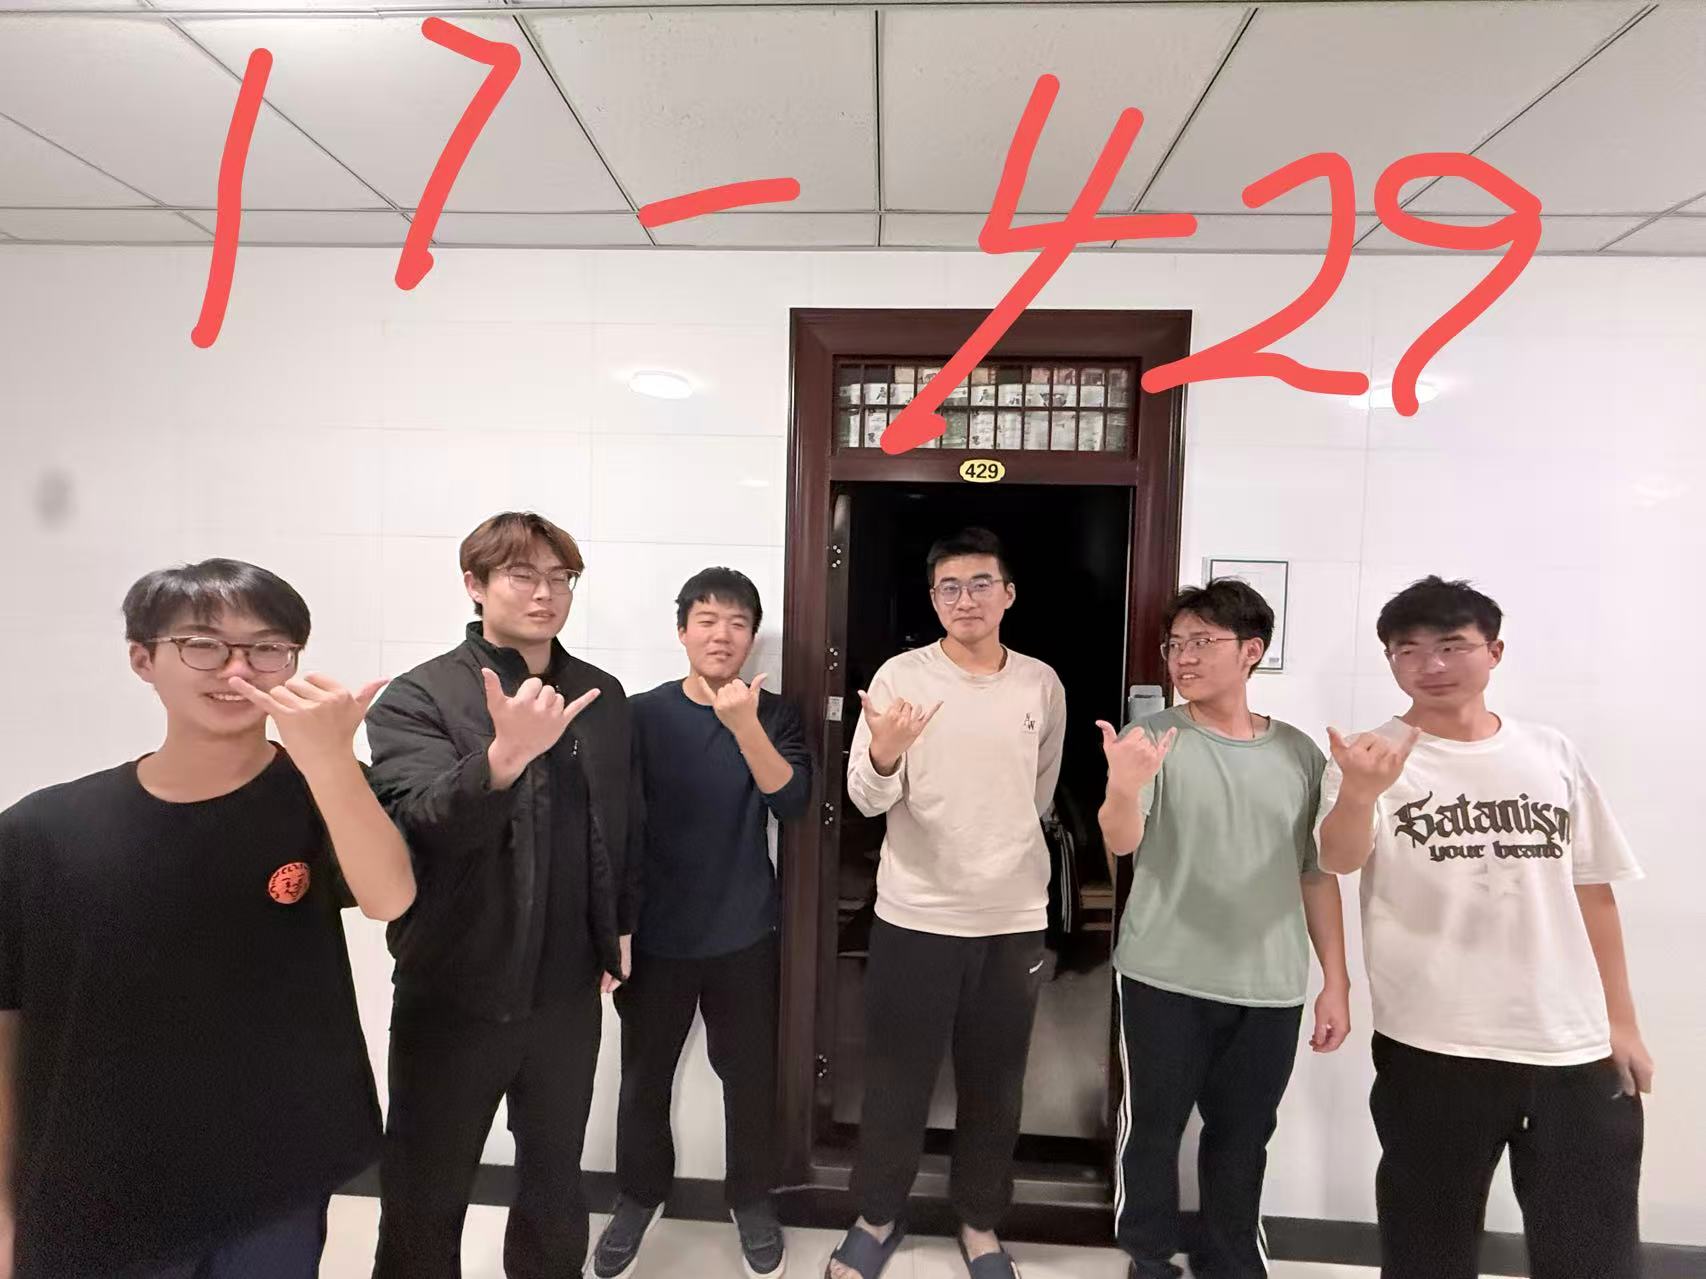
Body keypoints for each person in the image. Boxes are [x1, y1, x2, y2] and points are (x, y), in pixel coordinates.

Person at [0, 558, 414, 1279]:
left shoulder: (322, 791)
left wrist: (330, 760)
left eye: (267, 648)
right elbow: (9, 1022)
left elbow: (390, 896)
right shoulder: (44, 830)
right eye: (203, 644)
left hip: (273, 1170)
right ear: (143, 659)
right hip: (97, 1174)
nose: (237, 669)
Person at [1315, 576, 1650, 1279]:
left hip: (1571, 1044)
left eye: (1451, 645)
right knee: (1426, 1249)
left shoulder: (1551, 752)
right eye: (1408, 649)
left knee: (1591, 1251)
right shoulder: (1369, 757)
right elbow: (1337, 859)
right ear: (1390, 660)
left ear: (1493, 651)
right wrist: (1361, 793)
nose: (1431, 665)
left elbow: (1593, 890)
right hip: (1433, 1043)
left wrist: (1622, 1023)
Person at [365, 511, 639, 1279]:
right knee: (424, 1193)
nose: (545, 593)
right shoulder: (418, 696)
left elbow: (625, 821)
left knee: (555, 1186)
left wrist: (618, 926)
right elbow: (423, 823)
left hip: (566, 993)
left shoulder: (601, 694)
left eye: (561, 577)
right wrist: (503, 759)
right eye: (523, 575)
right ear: (475, 584)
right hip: (453, 988)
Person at [825, 527, 1066, 1279]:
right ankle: (877, 1215)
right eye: (950, 588)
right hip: (915, 914)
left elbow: (1040, 792)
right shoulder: (901, 676)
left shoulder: (1040, 684)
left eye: (981, 584)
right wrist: (885, 751)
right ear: (933, 600)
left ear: (1008, 594)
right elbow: (864, 798)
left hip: (1012, 918)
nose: (966, 599)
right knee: (896, 1078)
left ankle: (980, 1222)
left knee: (996, 1083)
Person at [1098, 579, 1350, 1279]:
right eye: (1175, 643)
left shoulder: (1299, 753)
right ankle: (1149, 1256)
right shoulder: (1152, 737)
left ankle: (1231, 1260)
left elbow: (1316, 872)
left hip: (1268, 984)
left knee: (1243, 1138)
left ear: (1251, 651)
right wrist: (1122, 785)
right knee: (1152, 1130)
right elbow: (1121, 841)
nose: (1183, 657)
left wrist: (1336, 981)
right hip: (1163, 974)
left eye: (1202, 642)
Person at [593, 568, 813, 1279]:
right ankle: (638, 1196)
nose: (723, 635)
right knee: (642, 1078)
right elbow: (614, 823)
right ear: (682, 630)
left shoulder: (774, 713)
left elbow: (792, 801)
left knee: (749, 1079)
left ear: (753, 637)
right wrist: (612, 925)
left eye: (738, 623)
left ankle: (751, 1200)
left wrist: (744, 725)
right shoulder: (642, 714)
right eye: (708, 621)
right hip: (655, 936)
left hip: (744, 933)